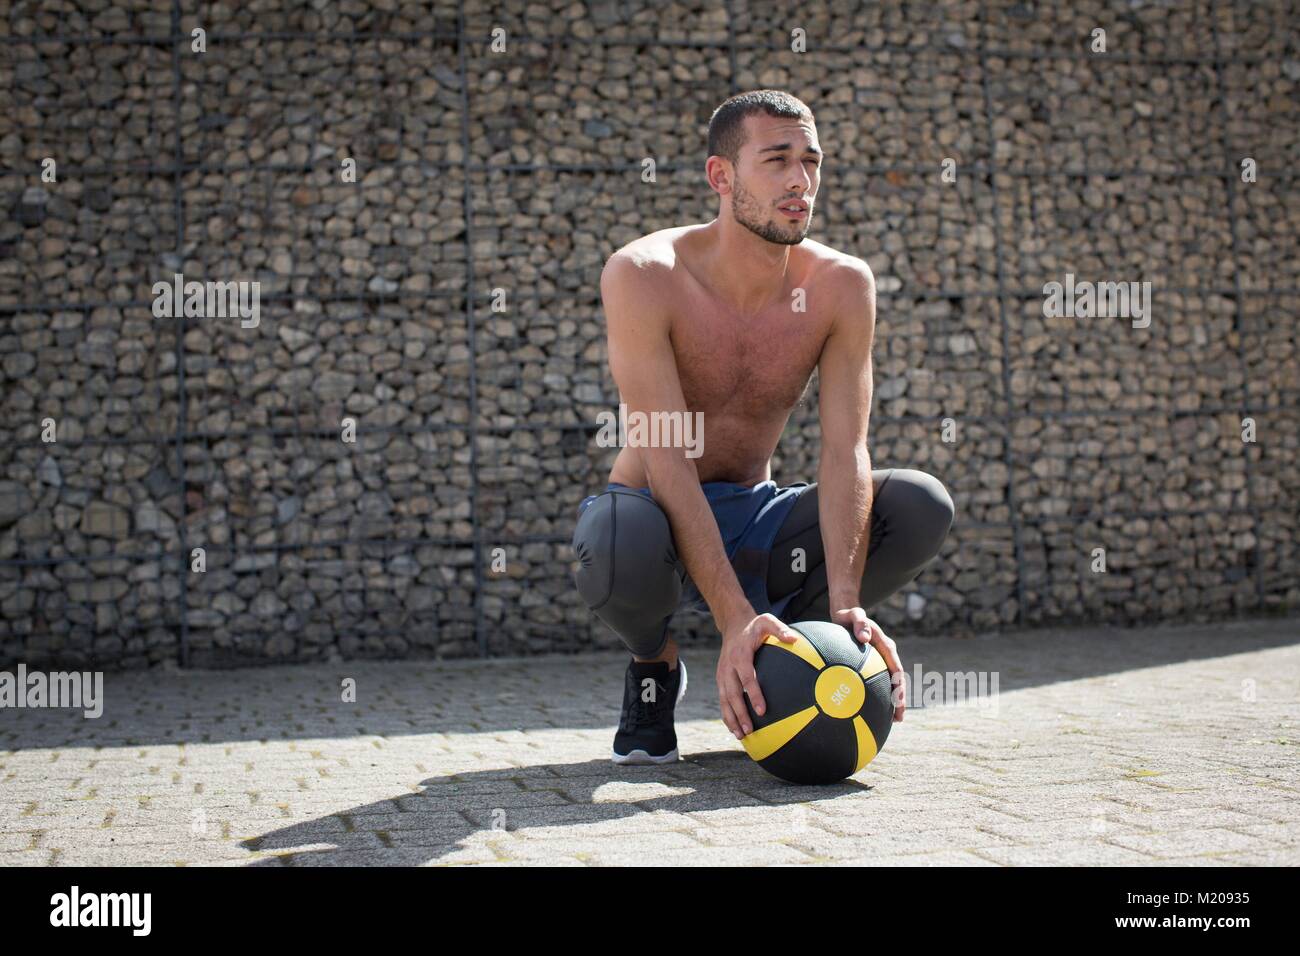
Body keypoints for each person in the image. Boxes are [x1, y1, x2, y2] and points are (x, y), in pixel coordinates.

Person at [571, 90, 954, 764]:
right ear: (721, 177)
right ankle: (655, 665)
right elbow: (664, 457)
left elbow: (845, 451)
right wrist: (730, 618)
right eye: (776, 159)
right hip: (655, 512)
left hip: (757, 520)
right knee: (614, 533)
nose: (800, 181)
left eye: (811, 161)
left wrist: (845, 602)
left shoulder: (841, 285)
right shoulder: (644, 275)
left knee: (920, 504)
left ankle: (786, 660)